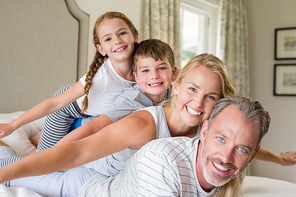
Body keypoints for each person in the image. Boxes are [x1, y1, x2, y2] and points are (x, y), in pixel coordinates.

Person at [0, 53, 236, 196]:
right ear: (176, 86)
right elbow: (76, 153)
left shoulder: (204, 131)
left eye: (211, 96)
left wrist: (274, 159)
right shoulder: (144, 123)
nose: (198, 102)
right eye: (192, 89)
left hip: (113, 180)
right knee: (12, 172)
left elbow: (240, 146)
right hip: (88, 170)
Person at [0, 11, 139, 165]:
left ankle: (38, 137)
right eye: (108, 39)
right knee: (42, 162)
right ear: (101, 49)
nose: (117, 41)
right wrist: (12, 126)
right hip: (66, 108)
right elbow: (55, 103)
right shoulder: (102, 78)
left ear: (135, 36)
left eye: (122, 33)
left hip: (91, 112)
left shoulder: (146, 65)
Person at [79, 96, 271, 197]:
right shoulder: (161, 160)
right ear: (204, 132)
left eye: (242, 149)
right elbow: (77, 153)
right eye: (221, 139)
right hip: (86, 183)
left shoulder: (227, 182)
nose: (226, 157)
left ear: (252, 155)